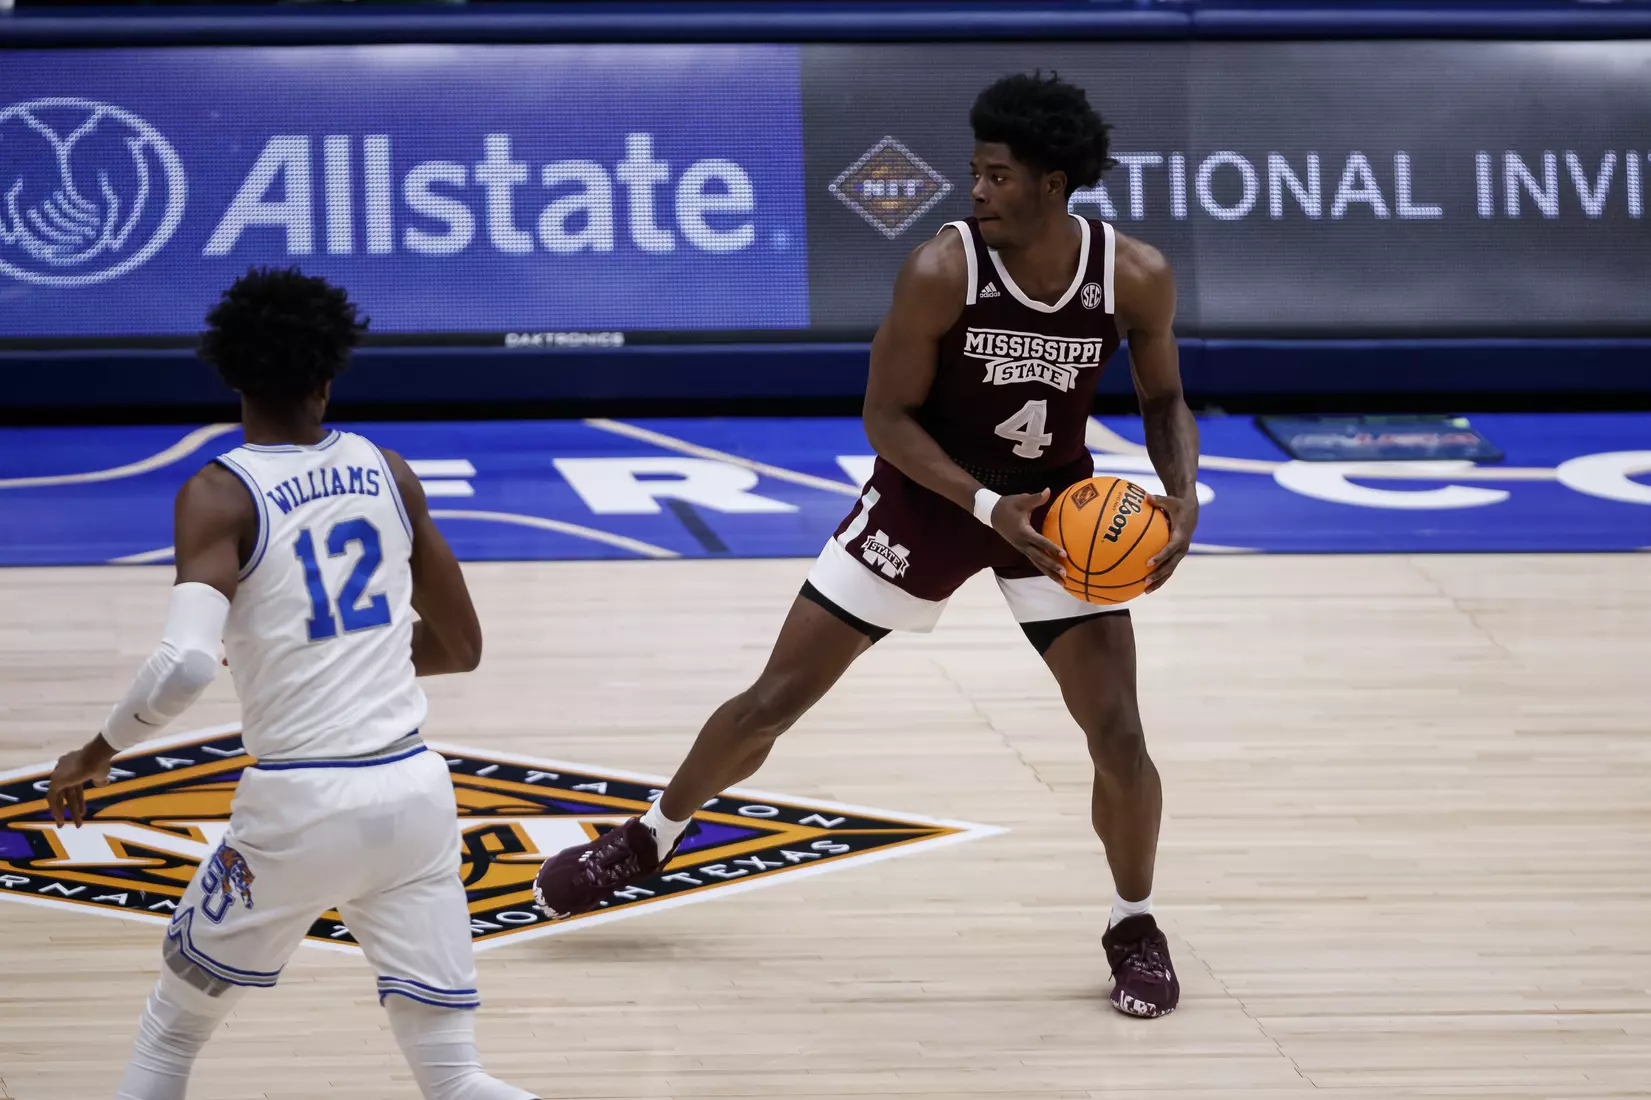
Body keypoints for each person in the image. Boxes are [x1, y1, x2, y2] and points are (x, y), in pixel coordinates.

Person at [536, 71, 1199, 1019]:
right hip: (928, 496)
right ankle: (648, 836)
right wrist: (979, 503)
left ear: (1054, 183)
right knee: (775, 699)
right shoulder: (942, 269)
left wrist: (1180, 497)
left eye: (997, 175)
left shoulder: (1133, 274)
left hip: (1056, 516)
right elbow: (884, 418)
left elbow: (1164, 398)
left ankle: (1133, 923)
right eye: (973, 171)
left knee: (1120, 737)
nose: (974, 189)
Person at [46, 268, 538, 1099]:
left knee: (170, 1037)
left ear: (231, 373)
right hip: (414, 796)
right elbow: (459, 646)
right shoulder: (388, 470)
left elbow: (187, 663)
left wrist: (96, 751)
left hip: (300, 805)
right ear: (328, 372)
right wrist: (349, 656)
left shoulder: (218, 492)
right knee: (456, 1077)